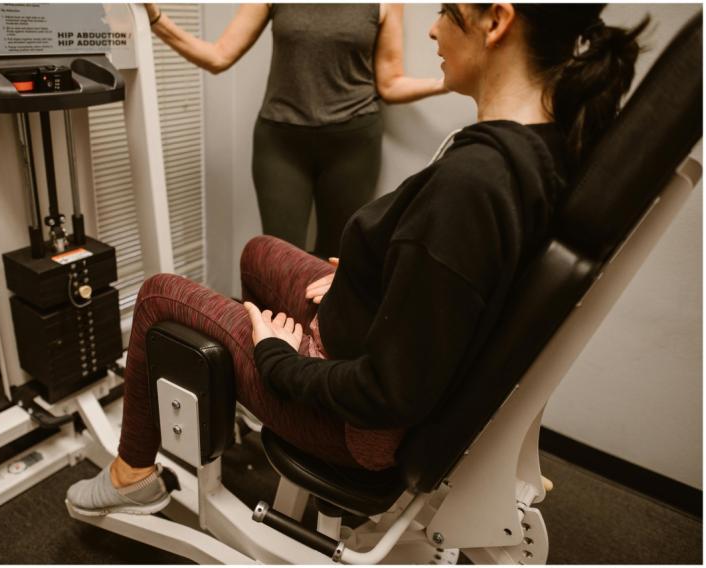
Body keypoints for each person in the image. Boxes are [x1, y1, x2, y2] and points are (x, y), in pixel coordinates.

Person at [67, 4, 647, 515]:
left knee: (159, 296)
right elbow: (450, 293)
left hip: (357, 426)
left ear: (496, 21)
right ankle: (264, 404)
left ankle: (133, 476)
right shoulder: (540, 145)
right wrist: (376, 280)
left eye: (447, 10)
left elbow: (388, 393)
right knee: (260, 252)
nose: (433, 29)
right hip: (361, 344)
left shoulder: (475, 183)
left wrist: (278, 359)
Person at [143, 3, 446, 258]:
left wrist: (444, 84)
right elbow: (219, 56)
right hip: (281, 144)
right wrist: (157, 19)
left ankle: (319, 330)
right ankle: (279, 330)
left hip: (352, 145)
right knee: (280, 258)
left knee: (336, 258)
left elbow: (390, 83)